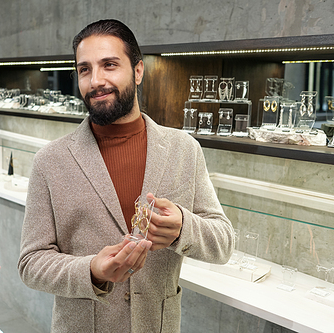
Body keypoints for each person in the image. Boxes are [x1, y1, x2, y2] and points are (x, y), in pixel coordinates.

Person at [18, 19, 234, 333]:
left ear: (138, 71)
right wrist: (92, 270)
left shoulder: (184, 149)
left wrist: (182, 229)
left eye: (109, 65)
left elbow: (224, 243)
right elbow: (31, 263)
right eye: (84, 69)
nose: (95, 81)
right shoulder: (50, 161)